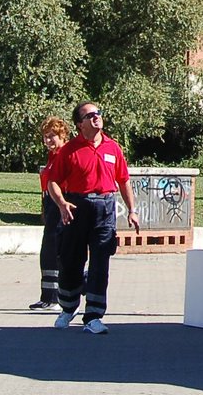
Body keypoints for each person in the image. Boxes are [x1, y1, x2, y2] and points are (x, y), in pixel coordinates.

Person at [45, 101, 140, 334]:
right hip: (77, 207)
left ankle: (94, 316)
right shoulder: (69, 150)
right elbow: (53, 181)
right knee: (71, 261)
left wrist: (132, 210)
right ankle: (68, 307)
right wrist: (62, 204)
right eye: (91, 115)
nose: (97, 117)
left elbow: (123, 180)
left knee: (100, 263)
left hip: (105, 208)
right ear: (80, 124)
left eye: (99, 113)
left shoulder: (113, 147)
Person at [28, 116, 70, 312]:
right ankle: (49, 296)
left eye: (52, 136)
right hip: (51, 205)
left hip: (61, 205)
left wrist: (62, 205)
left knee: (54, 252)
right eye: (45, 137)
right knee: (49, 252)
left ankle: (54, 297)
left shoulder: (65, 154)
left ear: (62, 135)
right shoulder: (53, 156)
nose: (48, 141)